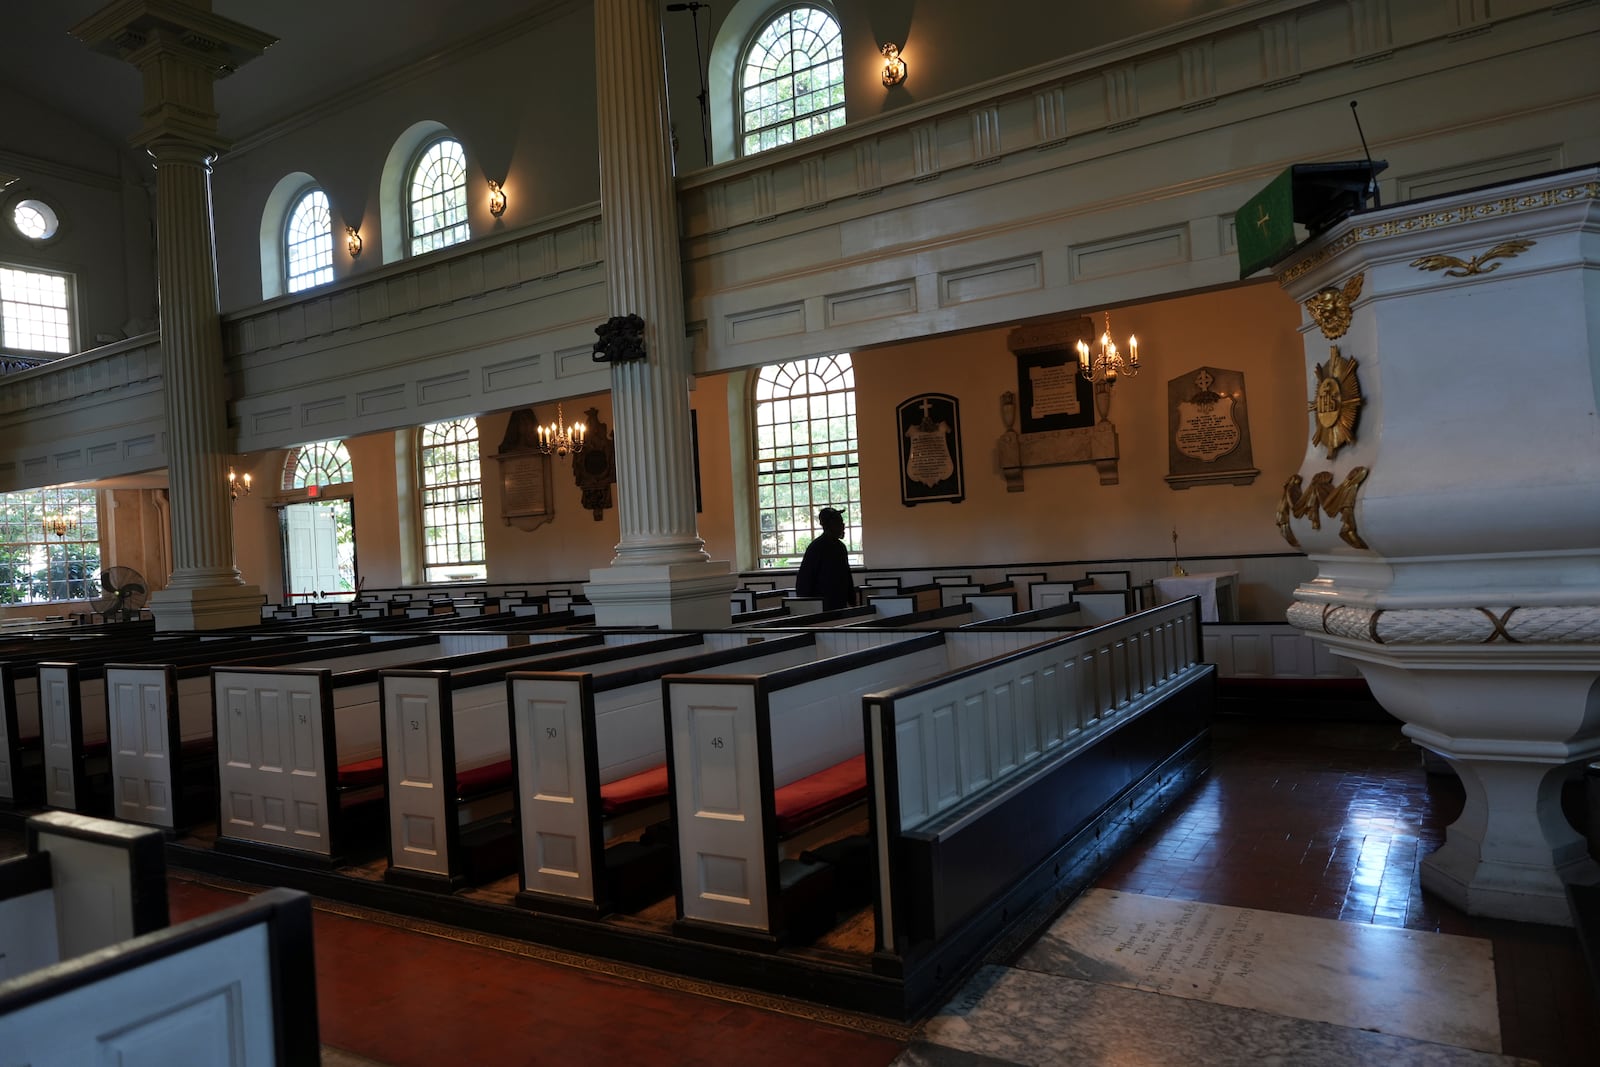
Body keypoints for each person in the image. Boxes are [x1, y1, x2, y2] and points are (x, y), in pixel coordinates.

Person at [794, 506, 858, 610]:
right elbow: (804, 582)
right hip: (821, 609)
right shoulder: (816, 548)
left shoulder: (840, 547)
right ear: (830, 525)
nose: (843, 526)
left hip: (839, 606)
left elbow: (846, 577)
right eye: (839, 522)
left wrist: (852, 601)